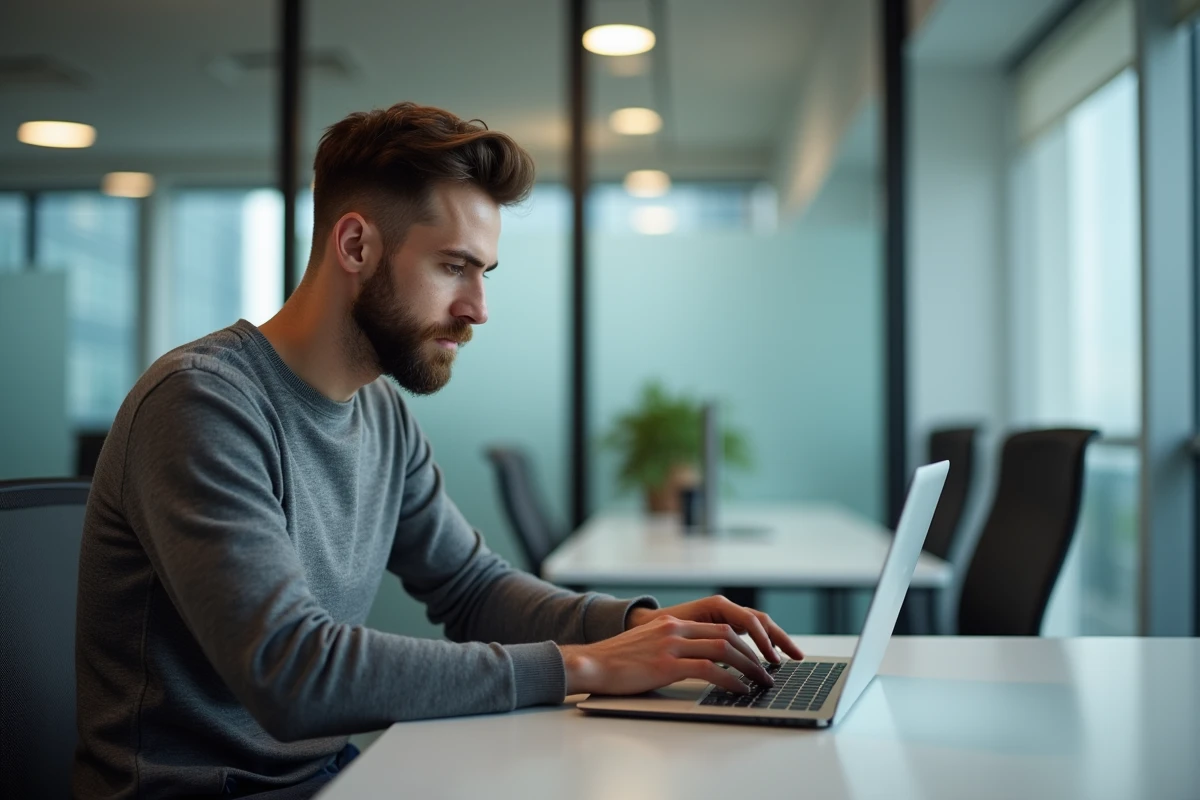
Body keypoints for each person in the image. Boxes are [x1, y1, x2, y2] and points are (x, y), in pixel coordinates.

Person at [72, 102, 804, 800]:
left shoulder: (381, 412)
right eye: (454, 266)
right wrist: (582, 665)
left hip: (331, 776)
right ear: (355, 245)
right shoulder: (202, 403)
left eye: (483, 273)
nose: (477, 309)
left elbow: (472, 588)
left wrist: (636, 628)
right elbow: (289, 672)